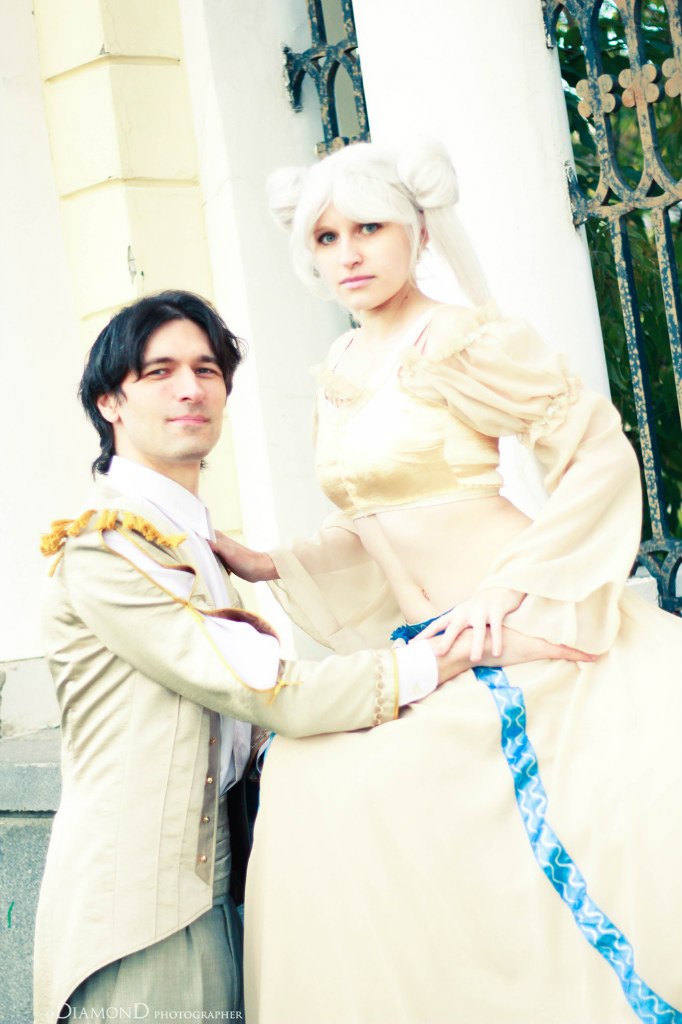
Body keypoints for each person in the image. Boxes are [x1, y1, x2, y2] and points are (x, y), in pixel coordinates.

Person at [213, 141, 682, 1023]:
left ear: (419, 232)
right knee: (310, 774)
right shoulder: (343, 365)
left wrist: (515, 584)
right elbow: (373, 519)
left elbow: (596, 452)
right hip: (431, 643)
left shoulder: (460, 340)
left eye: (369, 228)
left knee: (368, 787)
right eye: (326, 238)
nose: (348, 254)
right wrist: (270, 562)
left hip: (517, 627)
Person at [33, 290, 570, 1024]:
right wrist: (448, 653)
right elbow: (269, 691)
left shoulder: (189, 539)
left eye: (207, 369)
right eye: (159, 372)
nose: (191, 388)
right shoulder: (108, 548)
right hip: (137, 914)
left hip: (213, 888)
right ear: (109, 403)